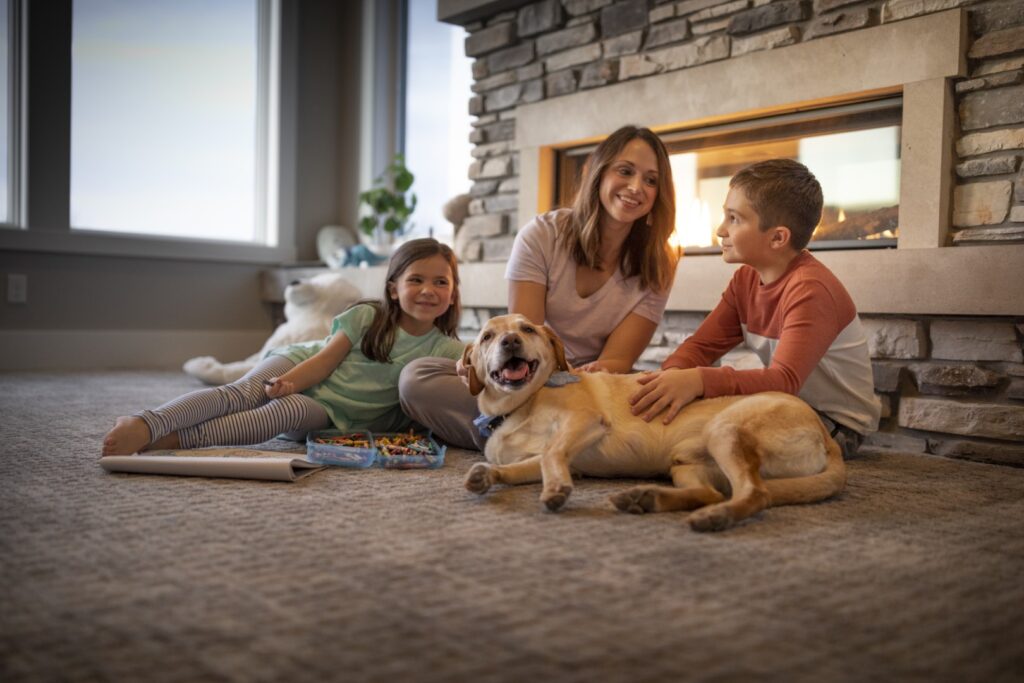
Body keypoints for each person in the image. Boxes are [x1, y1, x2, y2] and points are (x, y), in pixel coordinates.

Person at [400, 124, 678, 450]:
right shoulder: (542, 235)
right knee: (417, 377)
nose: (636, 187)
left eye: (651, 180)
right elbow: (523, 340)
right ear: (597, 173)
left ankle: (523, 437)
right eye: (625, 171)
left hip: (593, 384)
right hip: (528, 377)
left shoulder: (661, 261)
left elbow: (617, 360)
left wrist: (587, 381)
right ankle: (568, 440)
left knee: (667, 394)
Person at [101, 239, 465, 455]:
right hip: (299, 365)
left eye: (440, 282)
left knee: (279, 414)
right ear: (393, 288)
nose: (428, 290)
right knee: (243, 393)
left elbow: (464, 381)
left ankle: (176, 439)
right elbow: (323, 362)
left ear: (452, 294)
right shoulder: (367, 317)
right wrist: (289, 380)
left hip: (330, 414)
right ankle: (148, 423)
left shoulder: (447, 350)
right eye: (415, 280)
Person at [628, 158, 880, 458]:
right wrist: (668, 379)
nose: (720, 229)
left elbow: (783, 381)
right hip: (785, 405)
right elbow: (701, 346)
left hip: (835, 426)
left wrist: (697, 381)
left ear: (777, 238)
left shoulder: (811, 290)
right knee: (687, 418)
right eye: (725, 215)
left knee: (710, 437)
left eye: (734, 218)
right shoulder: (745, 281)